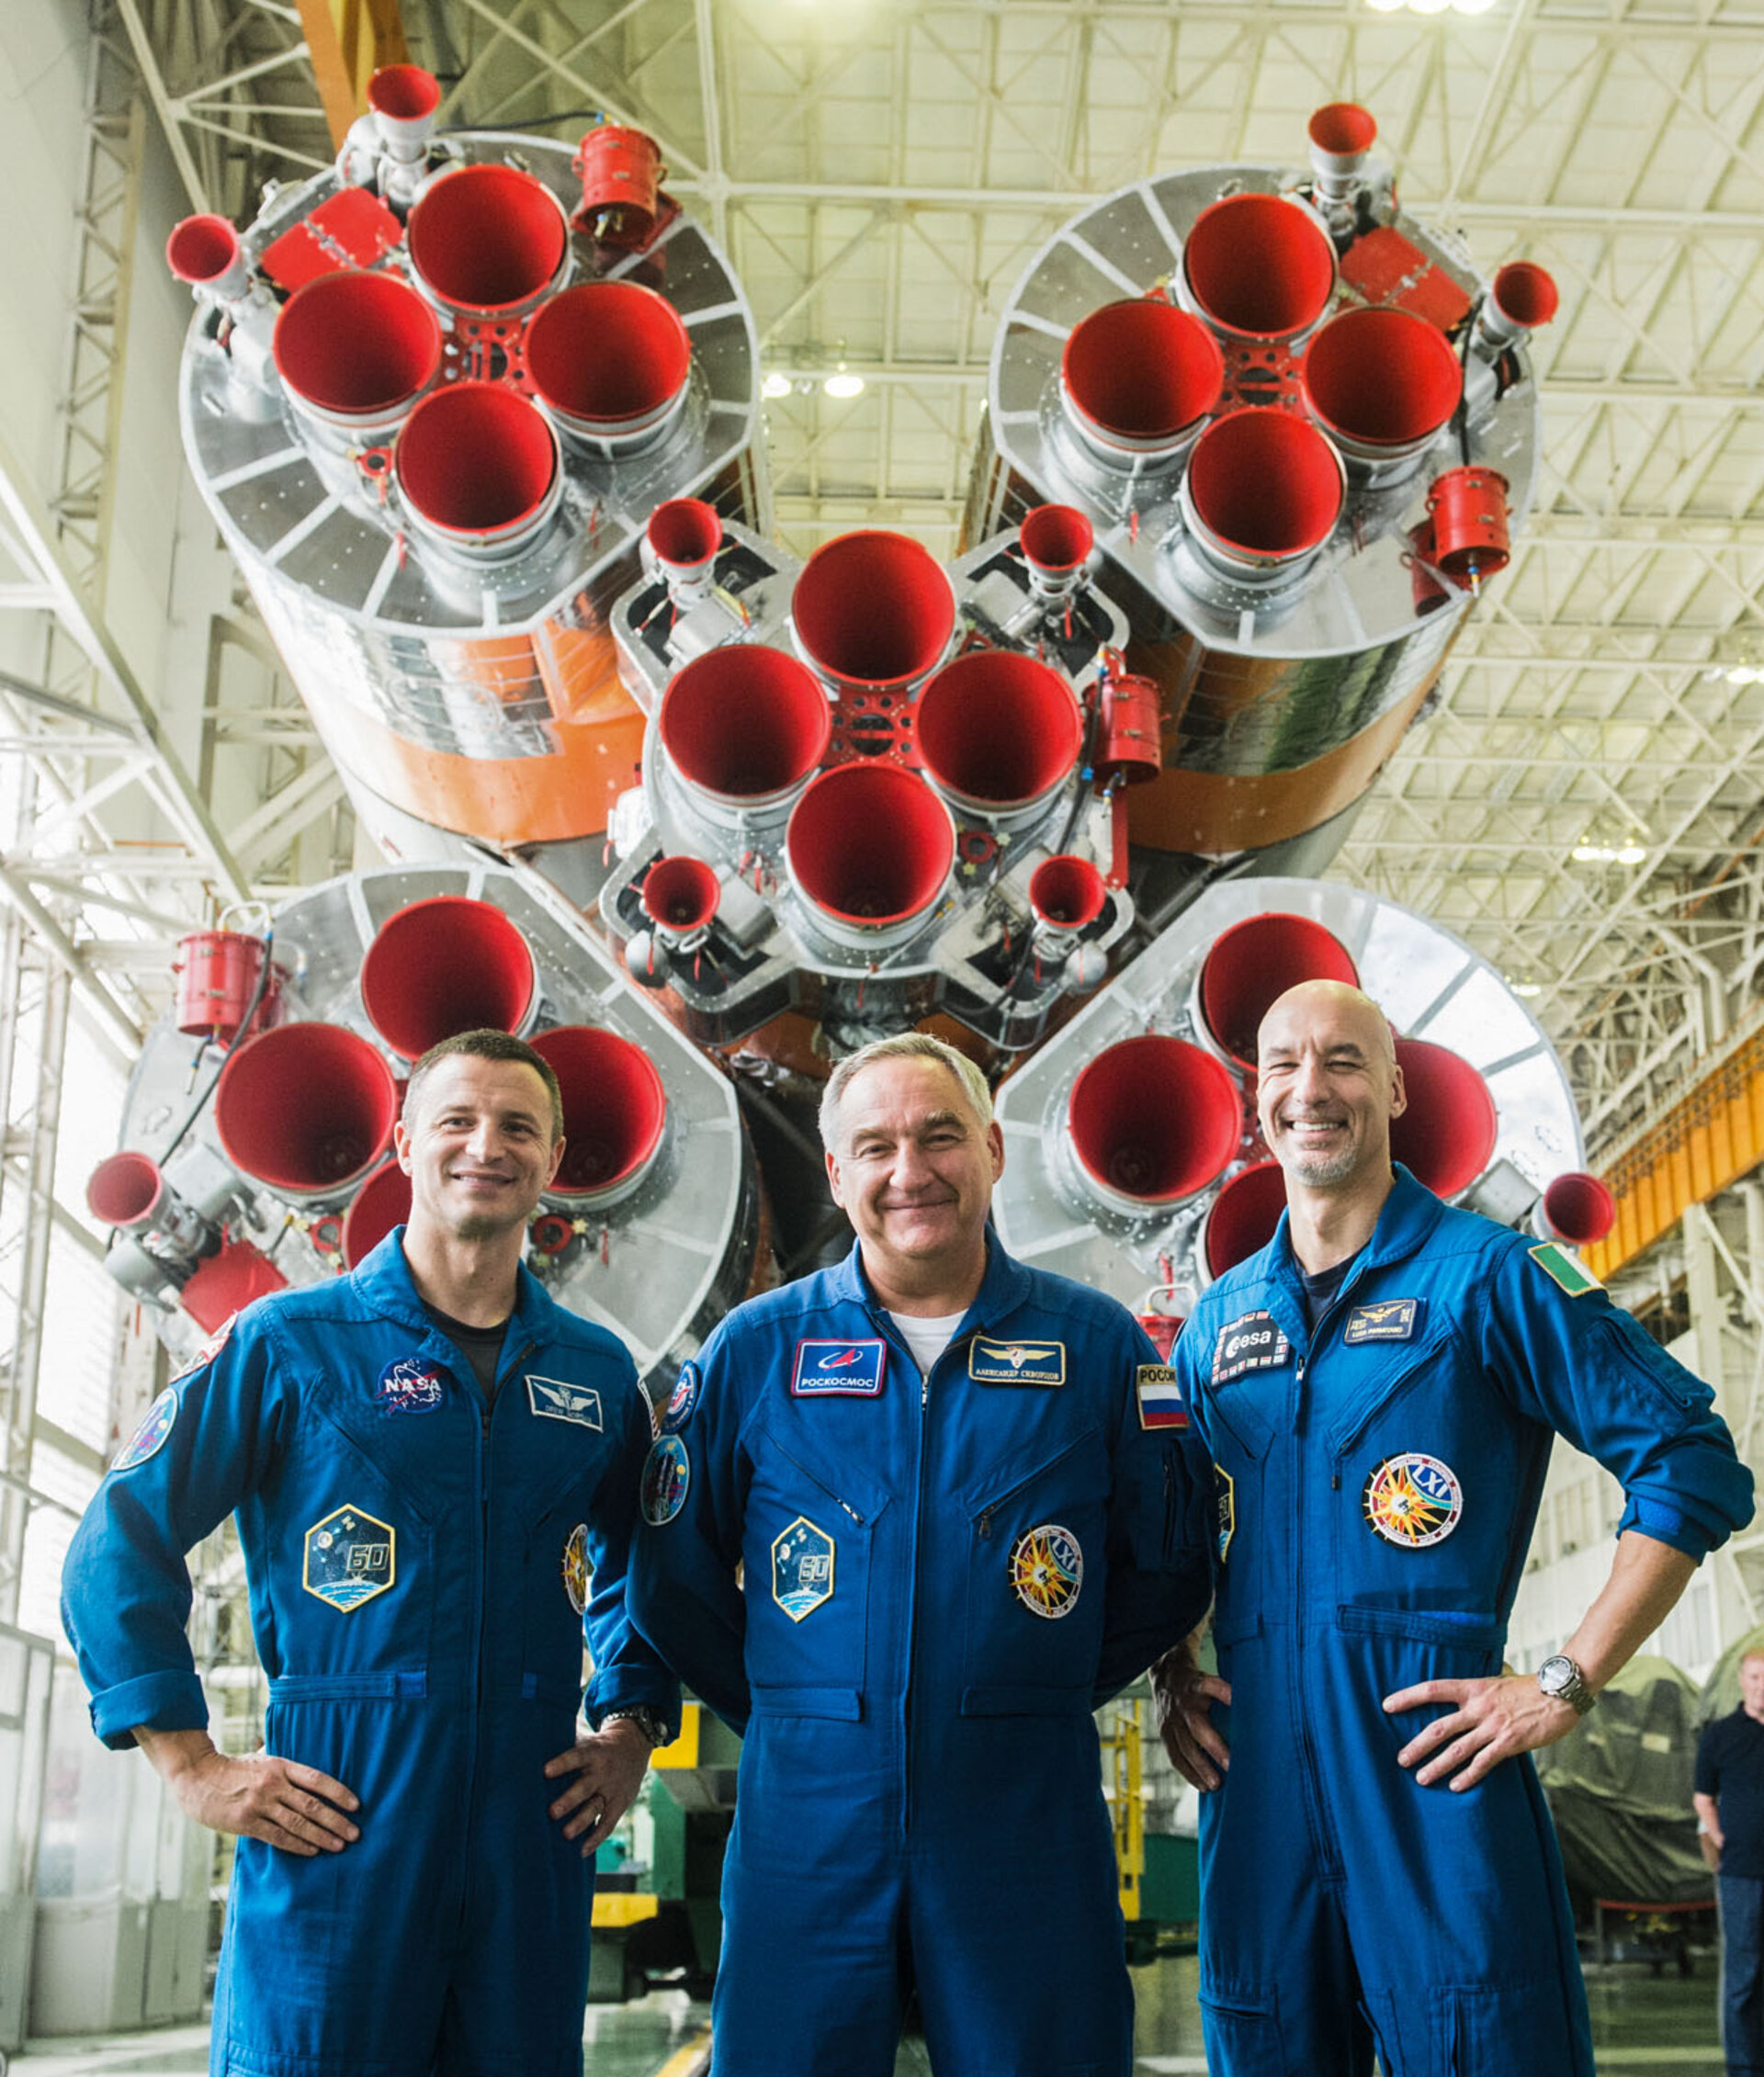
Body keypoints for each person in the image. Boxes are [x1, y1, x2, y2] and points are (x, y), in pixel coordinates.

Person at [1153, 979, 1754, 2077]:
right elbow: (1175, 1526)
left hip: (1431, 1768)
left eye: (1343, 1059)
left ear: (1394, 1088)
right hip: (1258, 1791)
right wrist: (1172, 1671)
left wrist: (1566, 1681)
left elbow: (1690, 1459)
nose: (1310, 1086)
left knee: (1485, 2046)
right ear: (1257, 1097)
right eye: (1283, 1062)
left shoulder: (1493, 1276)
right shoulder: (1217, 1324)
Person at [62, 1028, 677, 2077]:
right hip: (340, 1820)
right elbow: (117, 1539)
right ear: (403, 1143)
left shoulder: (595, 1371)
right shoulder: (289, 1343)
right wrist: (190, 1763)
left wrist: (631, 1726)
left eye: (517, 1126)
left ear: (552, 1156)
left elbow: (644, 1558)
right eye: (457, 1119)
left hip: (530, 1828)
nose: (485, 1144)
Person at [628, 1031, 1212, 2077]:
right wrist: (801, 1704)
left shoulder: (1099, 1348)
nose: (911, 1170)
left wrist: (1033, 1683)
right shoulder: (756, 1350)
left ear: (992, 1147)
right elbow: (670, 1578)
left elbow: (1168, 1561)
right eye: (877, 1146)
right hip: (807, 1826)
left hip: (1025, 1819)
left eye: (940, 1136)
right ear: (836, 1171)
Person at [1697, 1648, 1764, 2074]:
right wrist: (1722, 1836)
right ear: (1742, 1681)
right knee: (1744, 1974)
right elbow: (1703, 1797)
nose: (1762, 1686)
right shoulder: (1720, 1735)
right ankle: (1744, 2067)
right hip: (1741, 1874)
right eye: (1755, 1677)